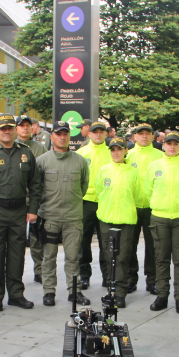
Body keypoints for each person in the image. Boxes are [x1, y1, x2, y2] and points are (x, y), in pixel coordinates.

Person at [0, 114, 41, 311]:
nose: (6, 131)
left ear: (14, 130)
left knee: (17, 254)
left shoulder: (26, 153)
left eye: (10, 128)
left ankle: (16, 294)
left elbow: (35, 184)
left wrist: (33, 210)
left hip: (19, 211)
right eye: (2, 128)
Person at [144, 132, 179, 313]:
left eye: (176, 144)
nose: (172, 147)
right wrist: (160, 205)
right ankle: (162, 296)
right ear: (164, 145)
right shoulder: (154, 166)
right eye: (169, 143)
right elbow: (148, 191)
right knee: (161, 258)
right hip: (160, 217)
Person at [35, 121, 89, 306]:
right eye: (58, 134)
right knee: (49, 256)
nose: (62, 137)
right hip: (49, 217)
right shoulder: (42, 161)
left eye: (65, 134)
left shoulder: (80, 161)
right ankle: (49, 291)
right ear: (52, 137)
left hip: (73, 218)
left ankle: (75, 291)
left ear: (69, 136)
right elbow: (36, 189)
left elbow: (83, 186)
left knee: (73, 257)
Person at [96, 137, 143, 308]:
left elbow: (137, 195)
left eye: (119, 149)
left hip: (126, 220)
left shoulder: (133, 172)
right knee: (109, 256)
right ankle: (111, 289)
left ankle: (121, 292)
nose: (116, 153)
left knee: (122, 257)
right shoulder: (103, 170)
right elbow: (100, 192)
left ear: (125, 150)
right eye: (113, 150)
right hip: (106, 219)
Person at [125, 124, 164, 294]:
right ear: (135, 137)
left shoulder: (160, 155)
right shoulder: (128, 155)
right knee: (129, 244)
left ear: (153, 136)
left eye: (148, 133)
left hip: (152, 206)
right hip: (132, 205)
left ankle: (152, 279)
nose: (144, 136)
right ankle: (130, 278)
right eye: (141, 133)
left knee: (153, 245)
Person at [14, 115, 48, 287]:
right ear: (16, 128)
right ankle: (14, 272)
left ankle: (39, 270)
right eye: (22, 126)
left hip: (36, 199)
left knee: (36, 238)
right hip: (17, 199)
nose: (25, 128)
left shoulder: (40, 147)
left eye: (28, 125)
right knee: (16, 239)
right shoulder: (11, 146)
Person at [76, 121, 111, 289]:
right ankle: (84, 274)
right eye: (95, 131)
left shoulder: (112, 152)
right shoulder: (81, 153)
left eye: (101, 131)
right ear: (89, 133)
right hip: (86, 201)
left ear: (106, 134)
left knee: (106, 241)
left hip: (106, 201)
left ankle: (108, 275)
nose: (98, 134)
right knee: (83, 240)